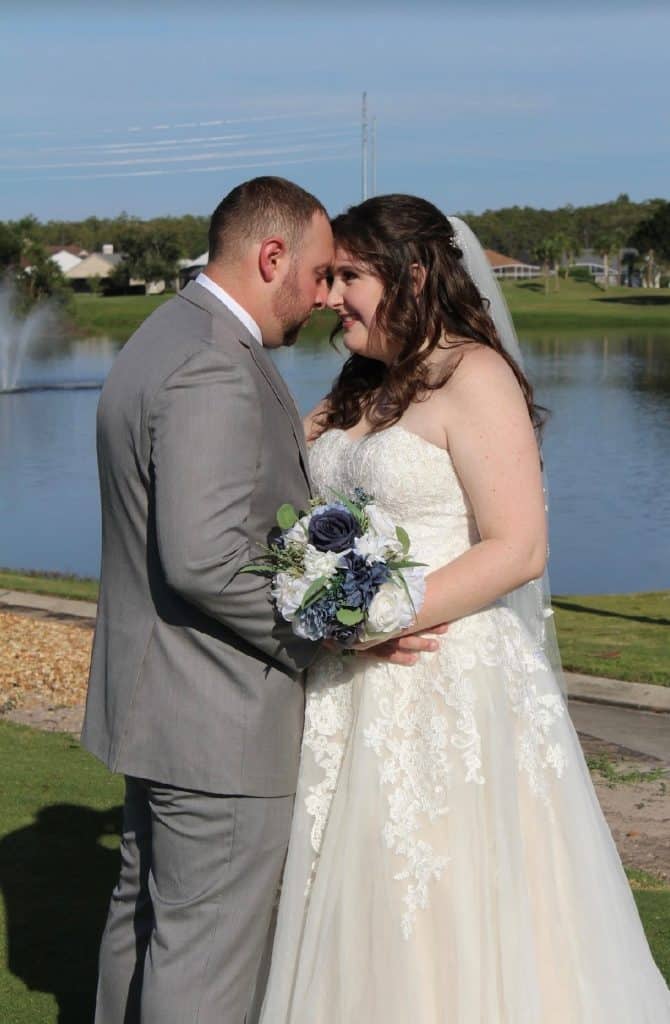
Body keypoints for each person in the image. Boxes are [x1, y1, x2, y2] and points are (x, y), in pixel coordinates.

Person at [255, 195, 670, 1022]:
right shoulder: (352, 390)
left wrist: (372, 617)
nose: (332, 295)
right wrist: (325, 608)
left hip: (447, 684)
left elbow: (517, 548)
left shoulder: (475, 375)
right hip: (346, 688)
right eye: (328, 275)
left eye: (349, 276)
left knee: (444, 905)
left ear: (412, 276)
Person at [81, 177, 441, 1024]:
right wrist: (333, 636)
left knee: (143, 929)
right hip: (220, 718)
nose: (325, 298)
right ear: (270, 256)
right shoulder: (215, 365)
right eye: (318, 275)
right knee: (203, 965)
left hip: (158, 703)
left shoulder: (166, 333)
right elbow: (205, 558)